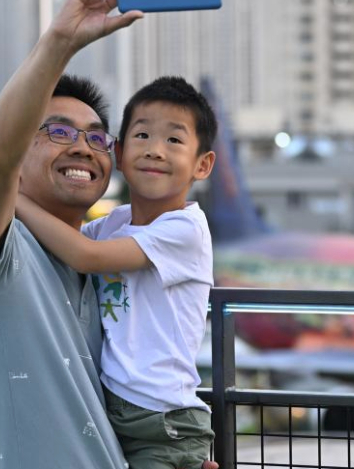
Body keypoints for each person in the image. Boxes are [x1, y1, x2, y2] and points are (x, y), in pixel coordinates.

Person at [0, 0, 217, 468]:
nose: (82, 146)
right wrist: (60, 41)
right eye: (57, 131)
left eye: (95, 136)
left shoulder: (102, 255)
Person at [15, 75, 217, 469]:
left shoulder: (185, 229)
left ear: (202, 164)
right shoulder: (115, 223)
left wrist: (17, 199)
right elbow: (59, 241)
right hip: (116, 413)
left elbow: (84, 255)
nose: (155, 151)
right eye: (142, 136)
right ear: (120, 153)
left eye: (174, 140)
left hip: (164, 422)